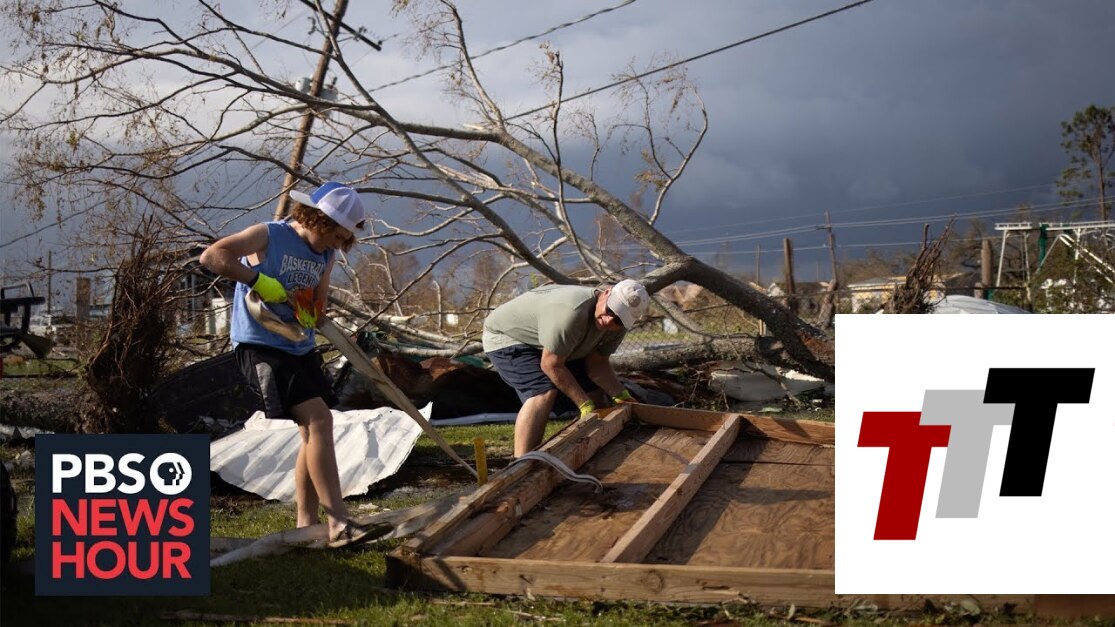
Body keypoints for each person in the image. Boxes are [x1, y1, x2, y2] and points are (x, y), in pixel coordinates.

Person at [200, 181, 387, 548]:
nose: (336, 245)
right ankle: (339, 522)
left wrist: (311, 311)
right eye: (334, 235)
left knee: (311, 431)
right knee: (319, 420)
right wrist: (258, 280)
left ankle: (307, 523)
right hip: (262, 347)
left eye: (343, 239)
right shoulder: (269, 235)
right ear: (317, 219)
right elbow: (212, 257)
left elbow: (319, 303)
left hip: (299, 348)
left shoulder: (326, 255)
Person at [483, 280, 650, 456]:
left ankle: (593, 453)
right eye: (610, 311)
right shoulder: (572, 312)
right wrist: (584, 404)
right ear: (606, 293)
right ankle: (522, 461)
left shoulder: (618, 327)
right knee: (542, 392)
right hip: (507, 337)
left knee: (597, 395)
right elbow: (551, 364)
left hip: (551, 343)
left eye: (618, 319)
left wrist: (621, 396)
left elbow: (597, 364)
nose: (609, 320)